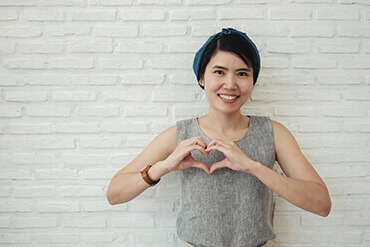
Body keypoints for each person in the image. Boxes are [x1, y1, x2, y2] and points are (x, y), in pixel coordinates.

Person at [106, 28, 332, 247]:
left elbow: (321, 204)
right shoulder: (180, 134)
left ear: (253, 80)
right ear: (202, 78)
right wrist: (163, 167)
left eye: (242, 73)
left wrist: (253, 166)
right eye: (219, 72)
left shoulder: (274, 133)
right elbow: (115, 194)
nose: (231, 84)